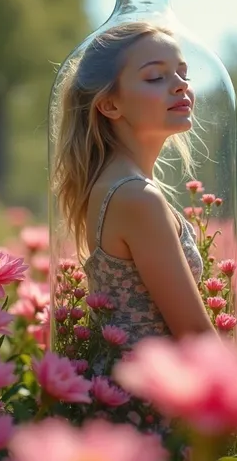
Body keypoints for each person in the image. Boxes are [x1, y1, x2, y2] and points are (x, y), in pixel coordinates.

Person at [53, 21, 215, 349]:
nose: (181, 85)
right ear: (110, 104)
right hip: (144, 395)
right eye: (156, 77)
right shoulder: (135, 196)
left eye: (183, 74)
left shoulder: (122, 184)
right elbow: (196, 338)